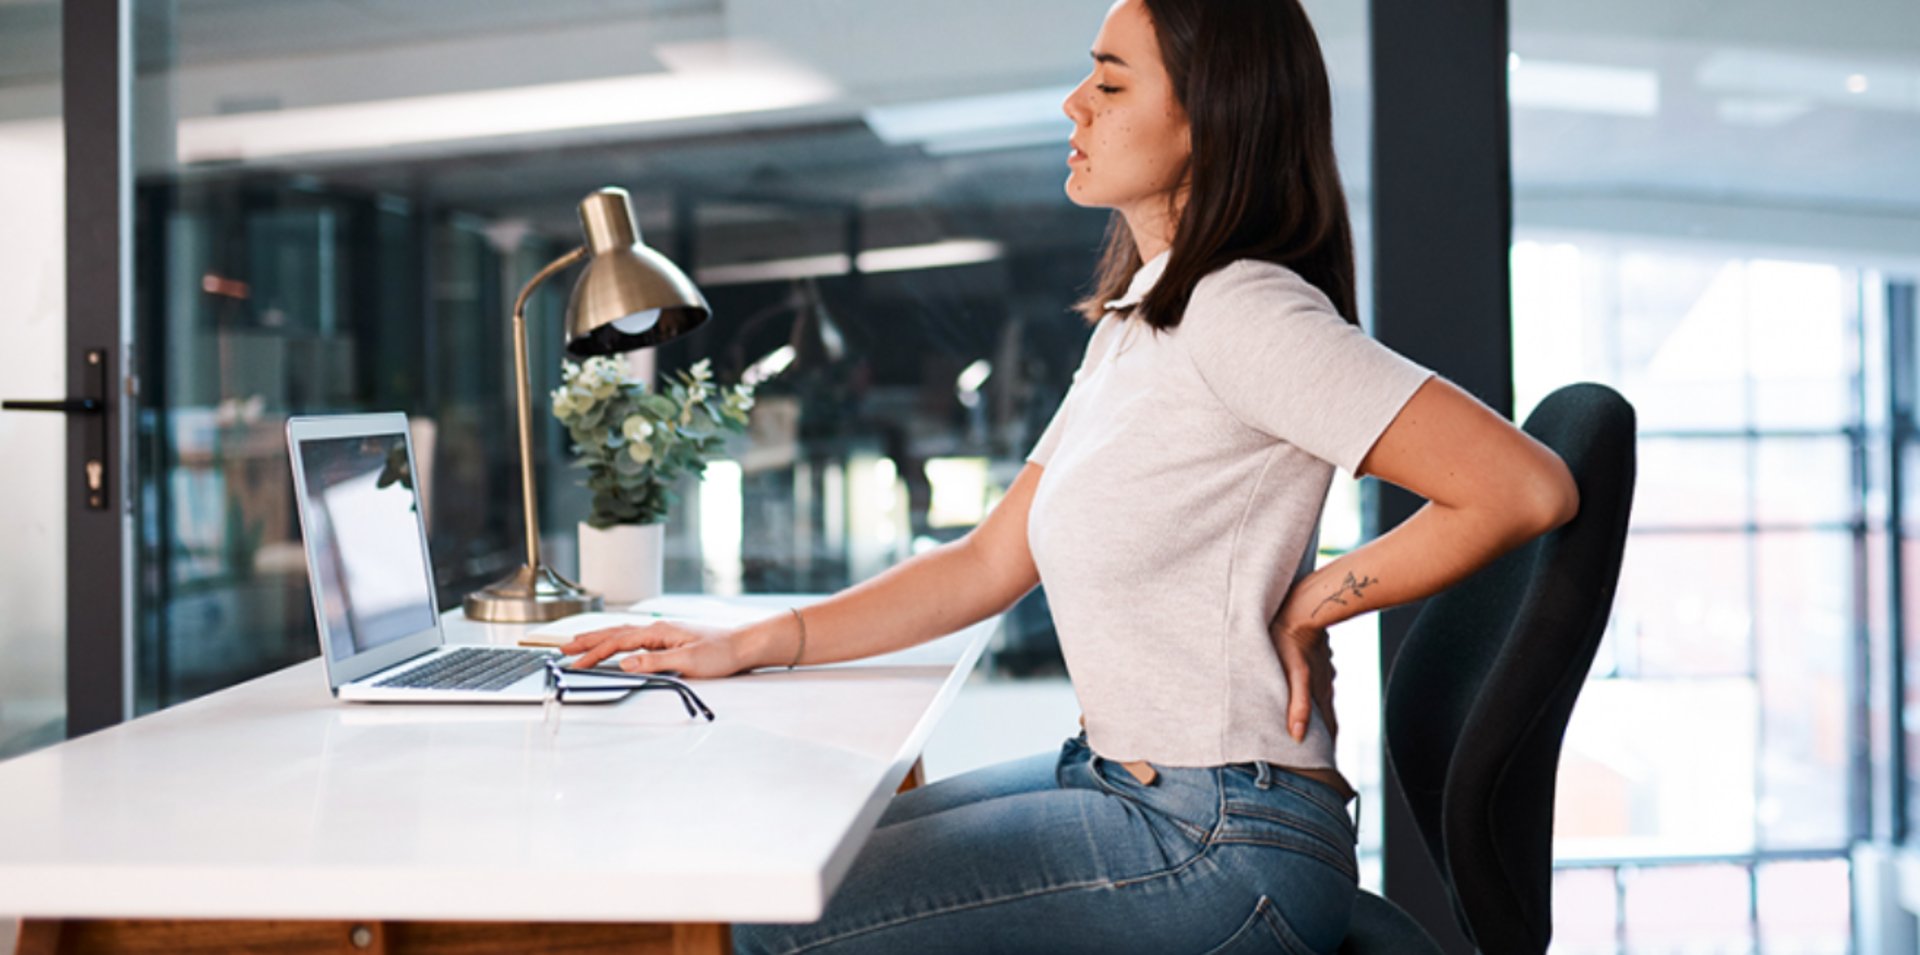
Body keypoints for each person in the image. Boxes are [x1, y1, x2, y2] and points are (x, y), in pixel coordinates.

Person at [562, 0, 1579, 950]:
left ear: (1211, 121)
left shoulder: (1248, 313)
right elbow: (990, 560)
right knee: (789, 859)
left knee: (768, 923)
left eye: (1111, 83)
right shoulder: (1145, 317)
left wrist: (1311, 602)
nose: (1073, 104)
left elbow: (1524, 486)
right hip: (1124, 783)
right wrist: (750, 643)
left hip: (1221, 839)